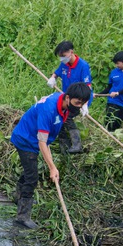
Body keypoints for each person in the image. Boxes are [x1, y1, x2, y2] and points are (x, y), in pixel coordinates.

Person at [10, 83, 91, 229]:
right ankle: (22, 217)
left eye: (82, 104)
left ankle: (18, 196)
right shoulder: (49, 109)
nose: (79, 106)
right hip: (26, 140)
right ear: (68, 97)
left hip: (35, 138)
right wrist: (52, 167)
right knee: (32, 177)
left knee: (30, 171)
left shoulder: (64, 104)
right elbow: (42, 142)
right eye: (77, 103)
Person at [47, 41, 93, 154]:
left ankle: (77, 145)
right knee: (58, 118)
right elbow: (56, 73)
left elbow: (88, 87)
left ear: (71, 52)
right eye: (60, 56)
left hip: (79, 100)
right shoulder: (64, 64)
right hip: (66, 99)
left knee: (66, 118)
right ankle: (65, 147)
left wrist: (85, 104)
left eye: (63, 56)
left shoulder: (83, 66)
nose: (62, 58)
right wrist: (53, 78)